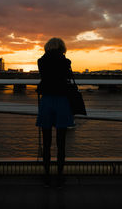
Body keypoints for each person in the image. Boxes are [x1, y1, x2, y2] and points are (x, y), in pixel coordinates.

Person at [36, 37, 74, 188]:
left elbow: (44, 77)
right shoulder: (66, 62)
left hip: (47, 101)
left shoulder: (41, 61)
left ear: (47, 47)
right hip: (62, 101)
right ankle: (59, 175)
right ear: (62, 48)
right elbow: (66, 78)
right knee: (61, 142)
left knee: (46, 141)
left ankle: (46, 176)